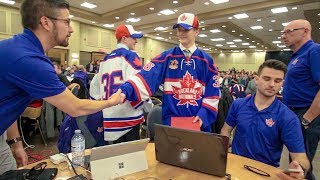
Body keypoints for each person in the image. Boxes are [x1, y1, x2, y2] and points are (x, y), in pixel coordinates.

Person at [0, 0, 124, 175]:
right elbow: (75, 107)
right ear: (46, 22)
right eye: (66, 22)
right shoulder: (29, 59)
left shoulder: (19, 47)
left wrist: (15, 142)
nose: (71, 29)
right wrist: (111, 102)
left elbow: (7, 102)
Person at [120, 13, 220, 132]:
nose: (181, 33)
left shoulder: (207, 61)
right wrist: (125, 91)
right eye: (179, 29)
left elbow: (213, 93)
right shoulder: (167, 57)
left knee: (198, 150)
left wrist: (204, 114)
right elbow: (146, 76)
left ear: (196, 32)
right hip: (171, 124)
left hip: (198, 125)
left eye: (186, 30)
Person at [220, 60, 310, 179]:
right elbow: (225, 131)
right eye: (267, 79)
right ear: (256, 79)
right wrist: (221, 151)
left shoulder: (288, 117)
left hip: (264, 173)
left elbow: (301, 157)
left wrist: (300, 168)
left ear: (282, 83)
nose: (272, 84)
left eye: (277, 81)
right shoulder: (238, 105)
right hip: (234, 168)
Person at [90, 24, 148, 143]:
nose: (136, 41)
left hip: (109, 116)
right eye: (133, 37)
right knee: (131, 156)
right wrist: (146, 105)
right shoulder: (130, 55)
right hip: (128, 115)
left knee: (116, 156)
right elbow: (136, 84)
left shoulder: (105, 59)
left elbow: (94, 87)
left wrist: (100, 105)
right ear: (124, 38)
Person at [281, 19, 320, 180]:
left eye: (288, 31)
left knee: (300, 167)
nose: (284, 36)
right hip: (294, 113)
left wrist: (307, 119)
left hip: (306, 114)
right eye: (283, 32)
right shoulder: (297, 55)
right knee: (296, 165)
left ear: (305, 31)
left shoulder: (314, 51)